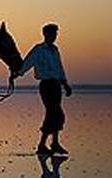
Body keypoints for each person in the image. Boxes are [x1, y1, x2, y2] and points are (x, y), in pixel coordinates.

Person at [17, 23, 72, 155]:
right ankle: (44, 144)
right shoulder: (39, 49)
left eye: (55, 34)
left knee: (55, 113)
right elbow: (28, 62)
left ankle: (53, 143)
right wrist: (18, 73)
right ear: (45, 34)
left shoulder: (55, 50)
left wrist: (65, 84)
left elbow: (59, 68)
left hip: (56, 85)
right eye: (51, 33)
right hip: (46, 85)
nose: (54, 36)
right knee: (54, 112)